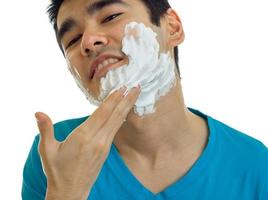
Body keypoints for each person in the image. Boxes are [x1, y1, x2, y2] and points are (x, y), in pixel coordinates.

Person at [22, 0, 268, 199]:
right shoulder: (55, 153)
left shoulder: (256, 165)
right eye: (73, 40)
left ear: (172, 27)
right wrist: (65, 192)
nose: (88, 41)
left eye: (110, 16)